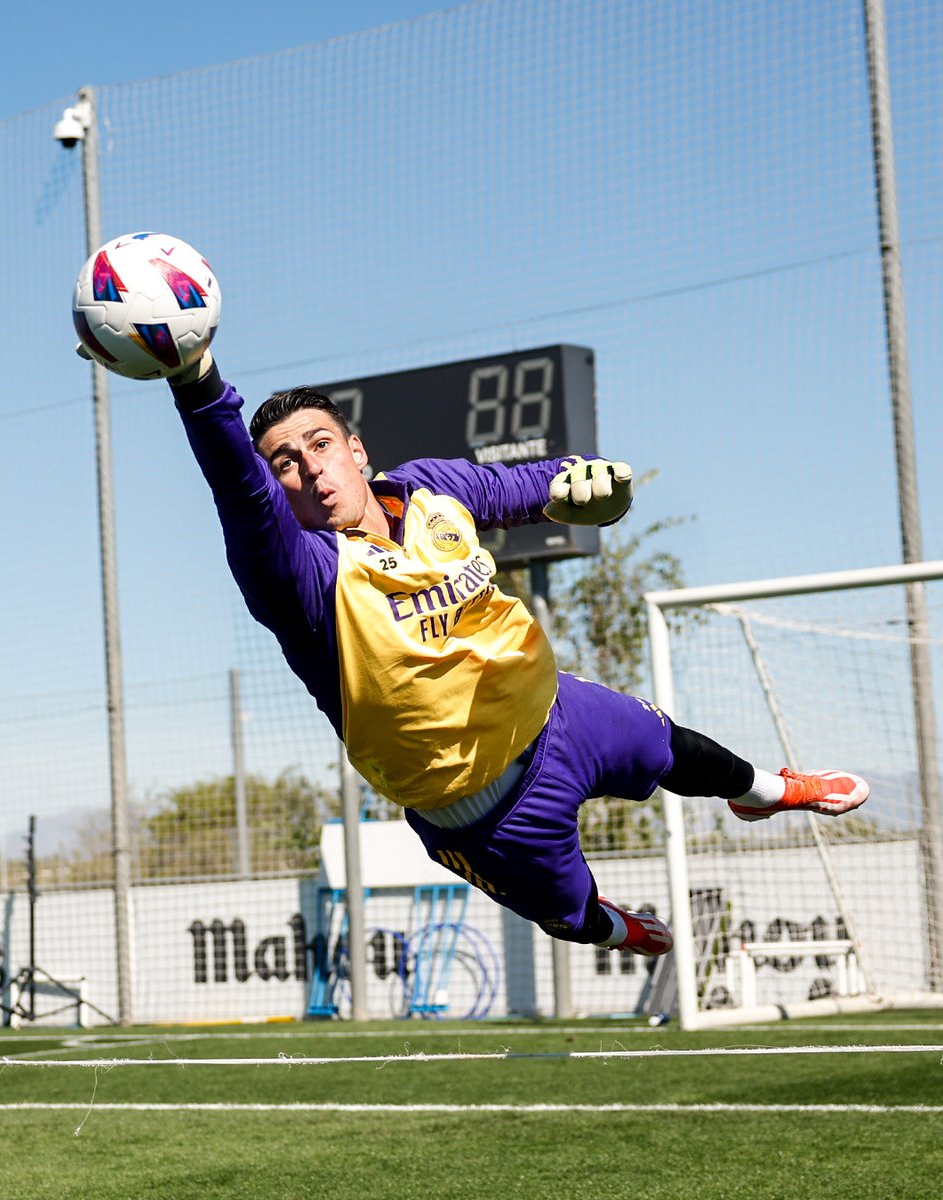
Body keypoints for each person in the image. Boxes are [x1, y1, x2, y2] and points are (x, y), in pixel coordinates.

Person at [168, 350, 869, 957]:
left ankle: (771, 794)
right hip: (482, 814)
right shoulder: (299, 577)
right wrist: (195, 379)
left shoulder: (428, 489)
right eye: (285, 464)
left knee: (672, 747)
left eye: (320, 445)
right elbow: (236, 485)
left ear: (357, 451)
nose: (310, 469)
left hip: (557, 712)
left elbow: (533, 487)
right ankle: (618, 929)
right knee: (572, 917)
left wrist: (588, 488)